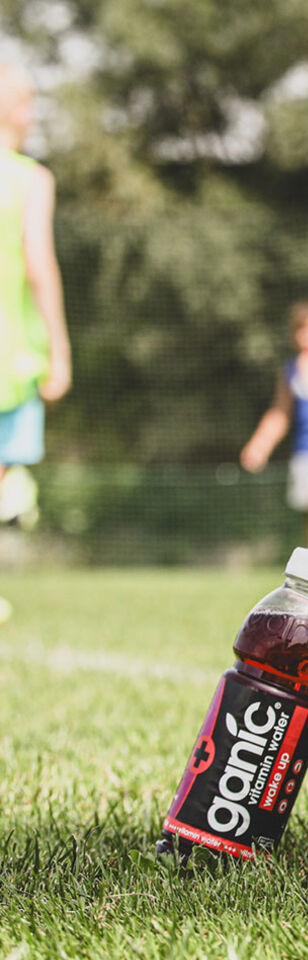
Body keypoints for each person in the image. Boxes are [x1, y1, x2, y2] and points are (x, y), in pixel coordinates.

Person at [0, 64, 70, 627]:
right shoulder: (28, 179)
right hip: (12, 352)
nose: (31, 109)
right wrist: (59, 348)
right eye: (23, 98)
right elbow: (38, 263)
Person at [240, 303, 308, 555]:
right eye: (303, 329)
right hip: (304, 447)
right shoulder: (291, 370)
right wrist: (260, 445)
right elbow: (280, 412)